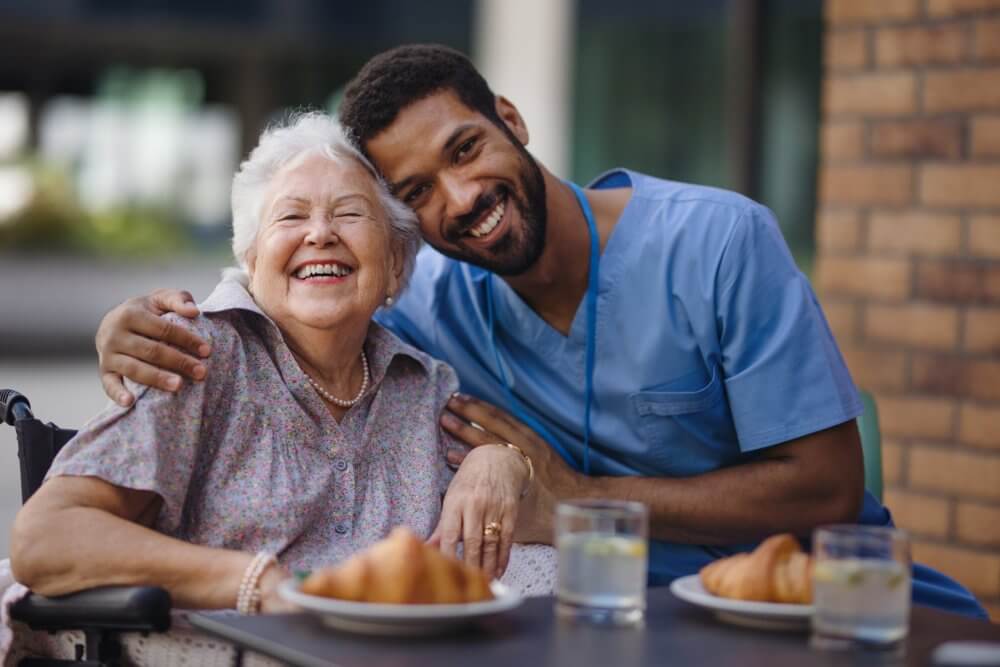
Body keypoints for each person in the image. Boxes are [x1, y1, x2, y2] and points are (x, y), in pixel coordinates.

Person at [93, 45, 985, 618]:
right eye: (413, 194)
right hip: (604, 623)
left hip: (816, 613)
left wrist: (574, 495)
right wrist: (138, 323)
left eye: (465, 149)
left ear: (511, 122)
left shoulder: (719, 241)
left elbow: (828, 486)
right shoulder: (426, 297)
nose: (459, 200)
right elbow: (303, 279)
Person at [8, 112, 542, 621]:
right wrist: (260, 583)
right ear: (252, 257)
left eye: (350, 213)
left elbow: (512, 548)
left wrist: (504, 460)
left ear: (396, 263)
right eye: (291, 215)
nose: (320, 234)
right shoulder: (196, 356)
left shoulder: (427, 387)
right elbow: (46, 538)